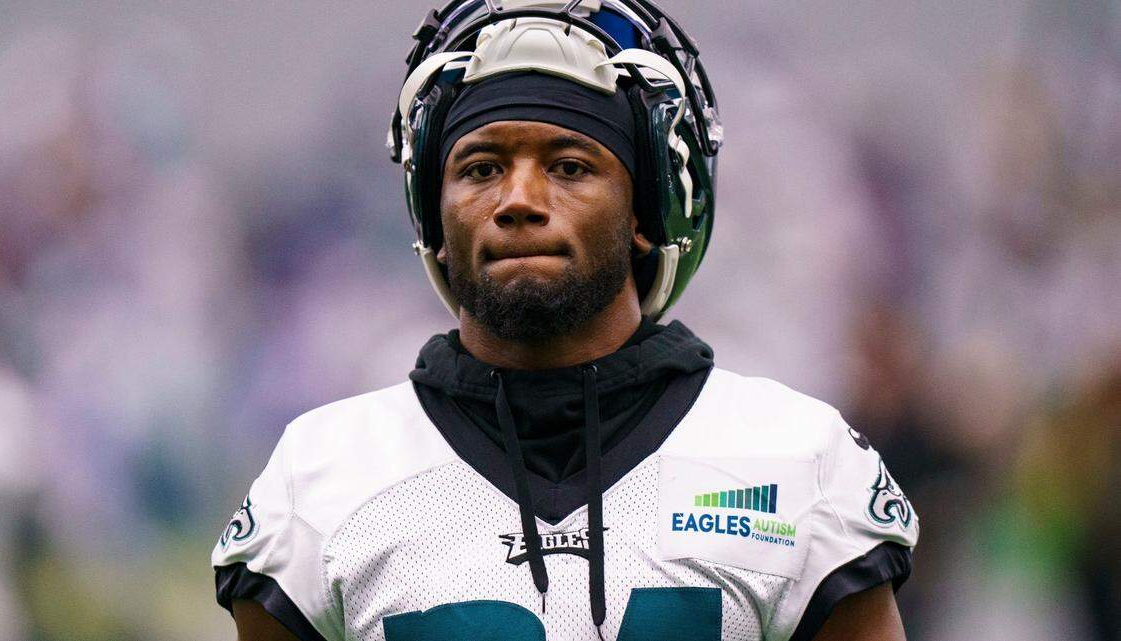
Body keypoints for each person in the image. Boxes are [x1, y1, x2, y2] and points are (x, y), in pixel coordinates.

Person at [211, 2, 919, 639]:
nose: (519, 199)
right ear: (434, 212)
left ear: (647, 212)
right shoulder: (324, 477)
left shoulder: (795, 459)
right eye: (481, 168)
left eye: (571, 165)